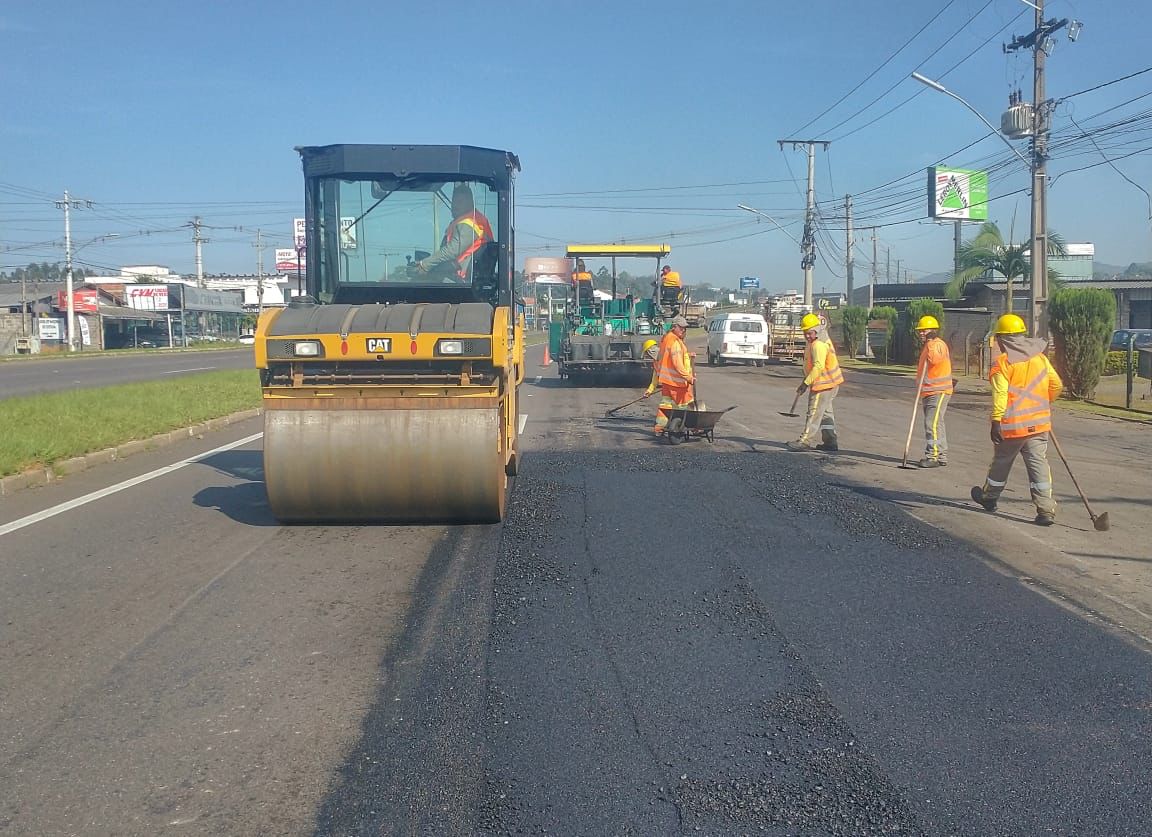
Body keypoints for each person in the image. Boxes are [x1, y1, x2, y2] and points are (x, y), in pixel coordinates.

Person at [970, 313, 1064, 526]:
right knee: (1038, 464)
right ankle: (1045, 509)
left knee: (1002, 462)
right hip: (1039, 424)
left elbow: (1001, 394)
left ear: (1002, 339)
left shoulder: (1002, 364)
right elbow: (1056, 385)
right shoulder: (1040, 359)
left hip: (1012, 427)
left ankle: (989, 497)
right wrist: (1043, 402)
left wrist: (996, 421)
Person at [787, 313, 844, 452]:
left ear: (817, 330)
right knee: (825, 413)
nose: (807, 336)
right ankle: (830, 441)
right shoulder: (818, 339)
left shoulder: (818, 344)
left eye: (809, 333)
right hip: (831, 383)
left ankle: (805, 441)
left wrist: (805, 383)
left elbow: (818, 367)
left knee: (813, 413)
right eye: (805, 333)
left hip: (822, 385)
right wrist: (805, 380)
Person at [413, 183, 493, 281]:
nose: (455, 205)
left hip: (462, 278)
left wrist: (425, 264)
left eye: (460, 202)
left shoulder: (471, 222)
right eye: (454, 201)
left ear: (470, 203)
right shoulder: (464, 220)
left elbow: (452, 250)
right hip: (457, 273)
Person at [915, 315, 953, 468]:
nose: (921, 333)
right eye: (920, 331)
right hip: (929, 391)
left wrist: (930, 342)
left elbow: (934, 360)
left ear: (933, 331)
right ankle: (942, 455)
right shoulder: (929, 345)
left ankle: (933, 456)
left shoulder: (937, 345)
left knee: (931, 423)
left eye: (924, 330)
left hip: (938, 391)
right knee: (937, 424)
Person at [650, 315, 694, 436]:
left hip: (666, 380)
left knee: (665, 405)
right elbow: (677, 363)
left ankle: (659, 427)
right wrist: (688, 377)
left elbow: (667, 358)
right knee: (684, 405)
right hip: (677, 382)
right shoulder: (675, 342)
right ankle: (684, 427)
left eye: (685, 328)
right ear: (674, 327)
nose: (683, 330)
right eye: (681, 328)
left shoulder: (666, 339)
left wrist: (688, 355)